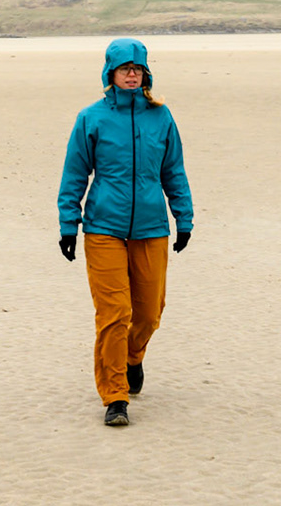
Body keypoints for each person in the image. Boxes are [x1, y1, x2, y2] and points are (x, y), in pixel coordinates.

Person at [57, 37, 194, 426]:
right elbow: (74, 173)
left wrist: (183, 218)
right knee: (115, 313)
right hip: (104, 227)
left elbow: (174, 171)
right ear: (110, 74)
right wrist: (70, 223)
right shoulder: (92, 118)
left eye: (137, 69)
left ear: (146, 74)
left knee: (149, 314)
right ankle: (115, 396)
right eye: (124, 69)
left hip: (151, 227)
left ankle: (134, 357)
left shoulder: (161, 117)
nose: (131, 74)